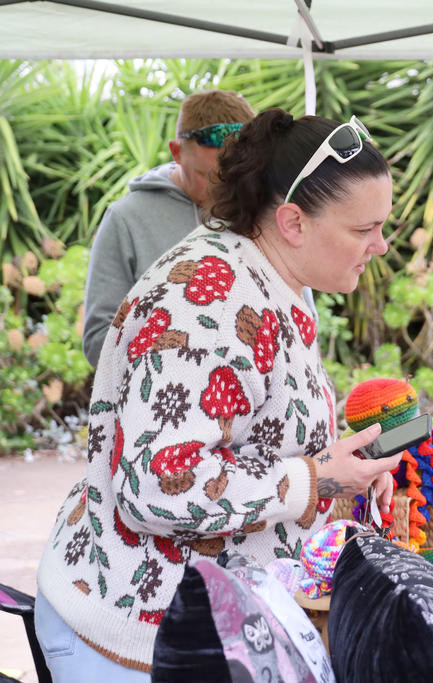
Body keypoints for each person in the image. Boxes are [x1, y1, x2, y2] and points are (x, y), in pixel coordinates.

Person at [35, 108, 402, 680]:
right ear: (293, 222)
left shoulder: (266, 274)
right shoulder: (209, 303)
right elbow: (158, 483)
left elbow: (248, 428)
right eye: (364, 229)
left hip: (190, 623)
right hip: (135, 638)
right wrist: (314, 479)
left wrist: (339, 466)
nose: (379, 245)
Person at [82, 89, 256, 367]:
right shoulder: (126, 219)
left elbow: (300, 315)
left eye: (234, 175)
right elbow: (97, 341)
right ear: (176, 152)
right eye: (206, 175)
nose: (222, 188)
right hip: (159, 404)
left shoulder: (264, 211)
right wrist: (180, 352)